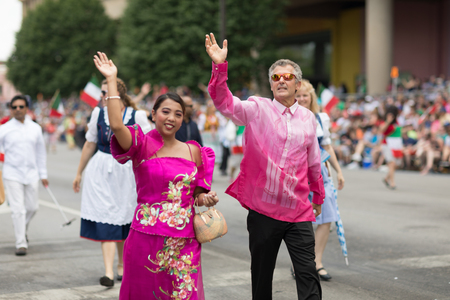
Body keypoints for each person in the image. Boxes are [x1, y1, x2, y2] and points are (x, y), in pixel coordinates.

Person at [205, 33, 325, 300]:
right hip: (263, 210)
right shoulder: (256, 108)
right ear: (271, 85)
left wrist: (318, 194)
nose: (281, 80)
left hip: (299, 211)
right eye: (276, 77)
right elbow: (225, 103)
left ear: (297, 84)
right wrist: (219, 66)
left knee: (308, 273)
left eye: (287, 77)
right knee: (262, 277)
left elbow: (313, 161)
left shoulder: (308, 118)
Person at [93, 51, 218, 300]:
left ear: (183, 119)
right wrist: (111, 79)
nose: (171, 118)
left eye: (178, 114)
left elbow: (197, 197)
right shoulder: (140, 143)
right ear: (153, 114)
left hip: (184, 242)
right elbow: (117, 125)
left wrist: (208, 199)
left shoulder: (196, 152)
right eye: (166, 112)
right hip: (144, 240)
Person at [72, 77, 152, 287]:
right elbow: (90, 144)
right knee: (106, 217)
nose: (103, 97)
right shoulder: (98, 113)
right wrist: (79, 172)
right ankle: (108, 272)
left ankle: (122, 265)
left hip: (126, 172)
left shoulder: (138, 116)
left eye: (106, 93)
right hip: (100, 170)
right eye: (102, 93)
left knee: (124, 218)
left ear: (119, 95)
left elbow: (149, 145)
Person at [296, 80, 345, 281]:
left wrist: (339, 171)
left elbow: (327, 146)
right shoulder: (289, 118)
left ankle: (317, 262)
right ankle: (300, 263)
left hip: (320, 174)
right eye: (297, 95)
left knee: (326, 218)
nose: (301, 99)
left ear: (311, 97)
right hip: (297, 175)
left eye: (305, 95)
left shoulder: (320, 118)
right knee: (300, 222)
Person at [0, 95, 49, 256]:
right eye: (14, 107)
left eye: (21, 106)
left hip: (32, 173)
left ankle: (22, 227)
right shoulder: (4, 129)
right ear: (11, 109)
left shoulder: (35, 128)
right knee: (17, 210)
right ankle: (21, 243)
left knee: (32, 207)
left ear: (27, 108)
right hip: (12, 173)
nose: (18, 109)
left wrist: (43, 173)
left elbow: (40, 152)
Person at [380, 105, 399, 189]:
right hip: (386, 144)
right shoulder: (385, 121)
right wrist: (388, 121)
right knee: (391, 163)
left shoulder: (396, 122)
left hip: (395, 144)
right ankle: (392, 183)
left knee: (396, 164)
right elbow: (381, 130)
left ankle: (386, 178)